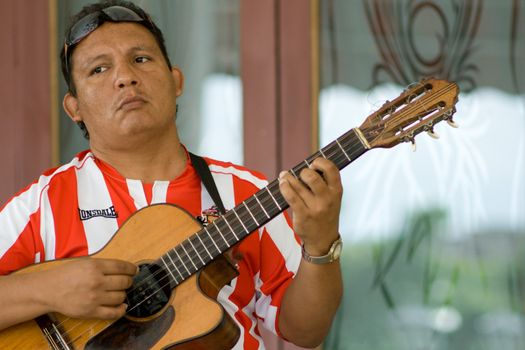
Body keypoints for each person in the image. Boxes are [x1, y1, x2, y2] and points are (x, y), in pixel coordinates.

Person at [0, 1, 343, 348]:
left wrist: (321, 244)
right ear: (75, 108)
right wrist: (46, 290)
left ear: (176, 80)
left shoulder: (245, 193)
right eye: (99, 69)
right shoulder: (43, 204)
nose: (125, 77)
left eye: (141, 59)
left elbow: (304, 330)